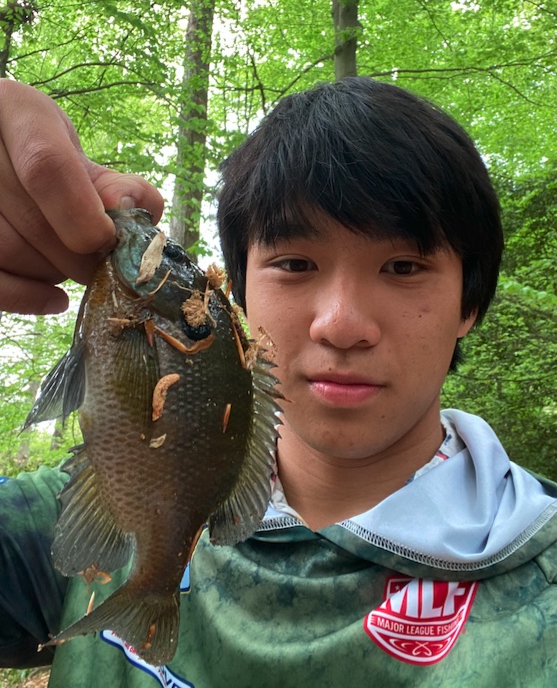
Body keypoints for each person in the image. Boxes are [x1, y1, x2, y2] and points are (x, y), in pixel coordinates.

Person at [0, 76, 556, 687]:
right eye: (294, 264)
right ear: (236, 294)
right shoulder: (91, 507)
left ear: (468, 303)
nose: (341, 325)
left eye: (404, 266)